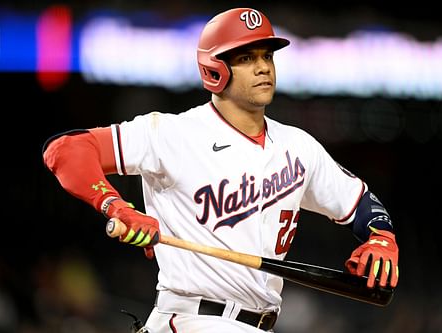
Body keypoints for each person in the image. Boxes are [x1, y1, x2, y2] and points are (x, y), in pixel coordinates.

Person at [42, 7, 399, 333]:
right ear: (215, 69)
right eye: (246, 57)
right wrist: (114, 206)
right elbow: (67, 150)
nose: (263, 67)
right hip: (193, 318)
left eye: (267, 56)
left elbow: (360, 202)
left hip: (260, 324)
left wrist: (381, 237)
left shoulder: (297, 146)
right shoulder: (172, 133)